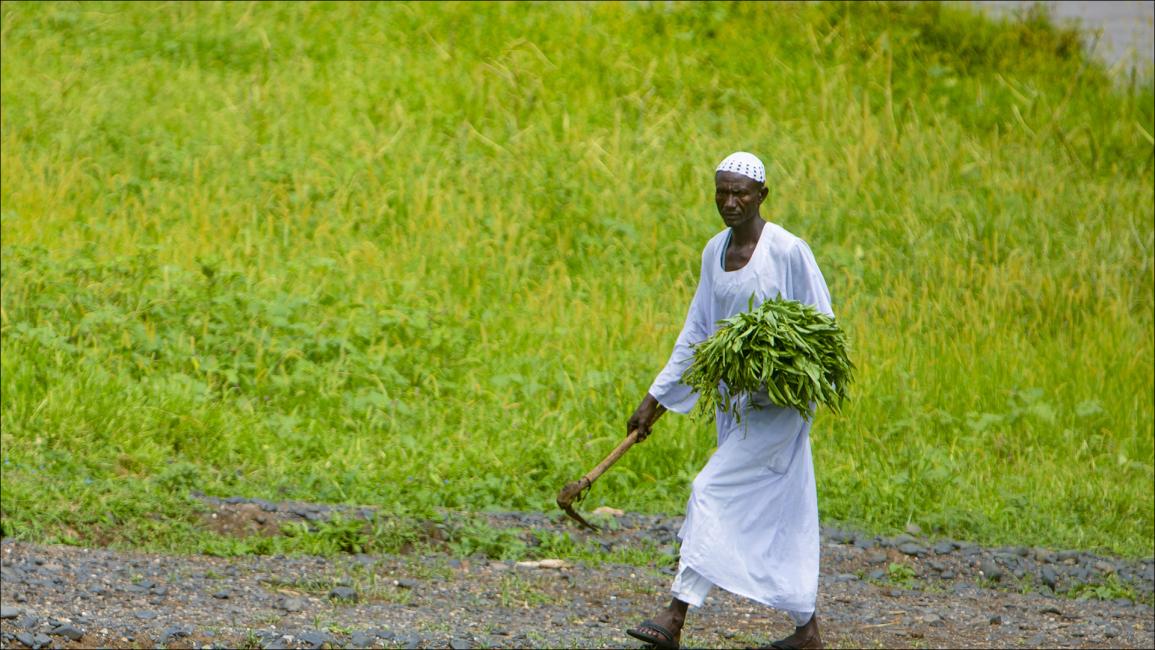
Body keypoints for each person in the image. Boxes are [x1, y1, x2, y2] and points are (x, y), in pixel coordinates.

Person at [624, 152, 832, 650]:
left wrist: (784, 369)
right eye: (722, 192)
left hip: (781, 405)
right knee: (780, 511)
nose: (730, 202)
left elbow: (822, 326)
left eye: (741, 193)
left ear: (763, 195)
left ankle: (674, 616)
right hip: (734, 404)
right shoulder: (713, 251)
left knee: (709, 490)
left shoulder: (787, 250)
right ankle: (808, 631)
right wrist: (656, 398)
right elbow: (698, 331)